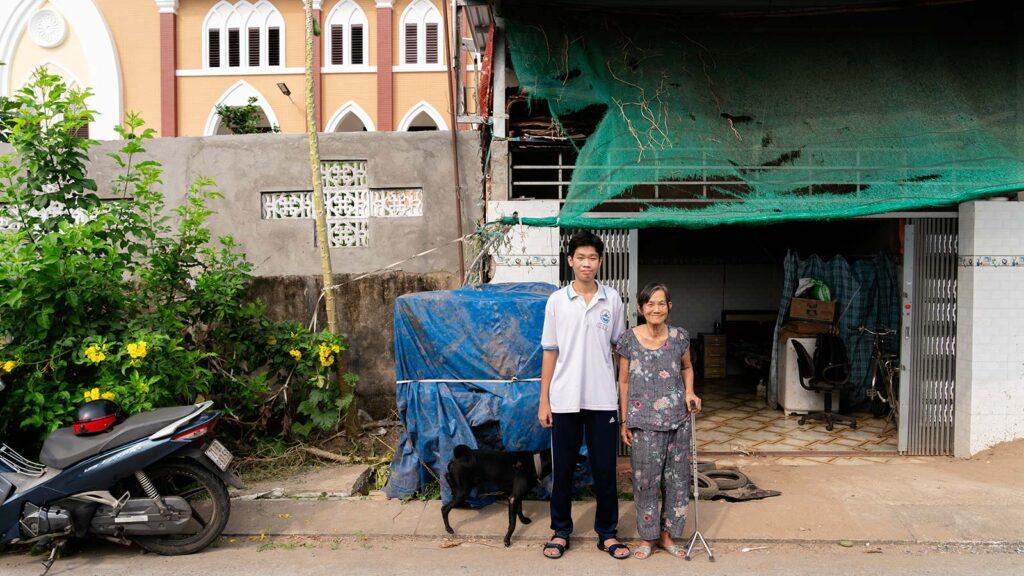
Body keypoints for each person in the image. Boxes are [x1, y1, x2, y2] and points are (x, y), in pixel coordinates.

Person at [537, 230, 630, 560]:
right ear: (570, 261)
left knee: (605, 469)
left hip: (602, 398)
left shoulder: (613, 299)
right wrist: (544, 400)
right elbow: (550, 352)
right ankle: (561, 531)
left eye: (592, 258)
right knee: (562, 469)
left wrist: (623, 400)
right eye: (581, 257)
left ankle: (607, 533)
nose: (586, 263)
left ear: (600, 262)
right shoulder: (557, 302)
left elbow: (621, 350)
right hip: (564, 399)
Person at [615, 282, 701, 560]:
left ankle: (667, 536)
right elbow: (624, 380)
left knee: (677, 480)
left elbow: (687, 367)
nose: (656, 309)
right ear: (640, 308)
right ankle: (646, 538)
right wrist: (624, 420)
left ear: (669, 307)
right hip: (643, 421)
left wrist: (690, 391)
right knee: (644, 480)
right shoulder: (628, 339)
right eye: (650, 304)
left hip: (677, 418)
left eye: (661, 303)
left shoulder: (679, 337)